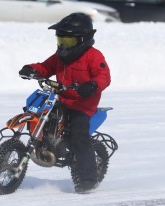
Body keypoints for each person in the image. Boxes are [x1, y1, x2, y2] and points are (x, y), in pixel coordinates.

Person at [18, 13, 111, 193]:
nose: (63, 45)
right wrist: (31, 69)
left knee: (78, 135)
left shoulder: (94, 56)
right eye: (60, 40)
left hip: (82, 105)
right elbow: (46, 67)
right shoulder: (60, 56)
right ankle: (43, 144)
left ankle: (88, 179)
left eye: (67, 41)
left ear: (83, 39)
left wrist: (92, 85)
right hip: (61, 99)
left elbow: (104, 76)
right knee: (37, 110)